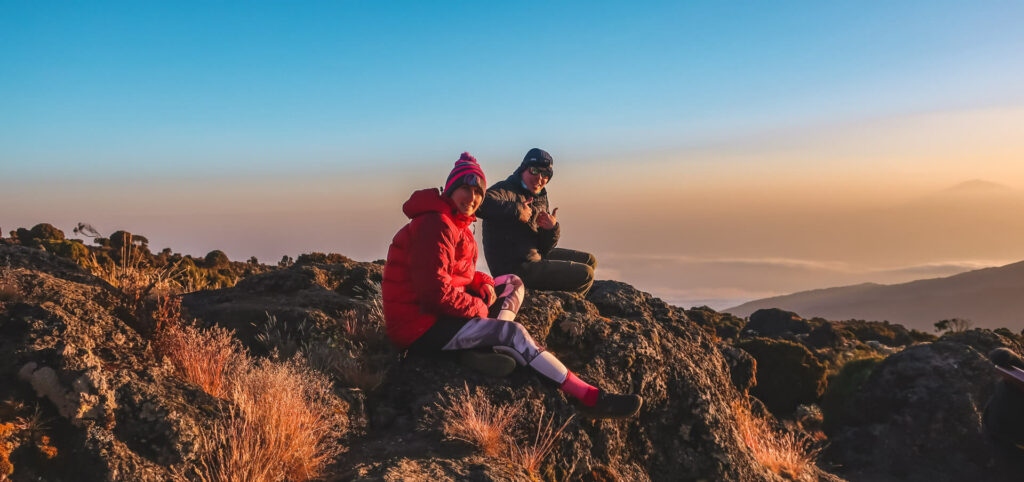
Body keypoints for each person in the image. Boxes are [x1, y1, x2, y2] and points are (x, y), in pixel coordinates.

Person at [381, 152, 642, 419]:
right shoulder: (436, 225)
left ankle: (486, 345)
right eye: (464, 189)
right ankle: (590, 397)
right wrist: (479, 308)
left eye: (476, 191)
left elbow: (459, 272)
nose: (472, 198)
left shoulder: (455, 223)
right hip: (419, 328)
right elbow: (433, 294)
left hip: (437, 316)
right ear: (450, 189)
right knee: (514, 334)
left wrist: (481, 280)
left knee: (512, 283)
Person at [477, 148, 597, 295]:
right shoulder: (505, 190)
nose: (540, 178)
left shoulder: (539, 196)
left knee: (590, 260)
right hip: (515, 269)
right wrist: (517, 211)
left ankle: (568, 300)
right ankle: (568, 306)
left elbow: (544, 247)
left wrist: (551, 229)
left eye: (545, 174)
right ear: (523, 169)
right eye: (534, 171)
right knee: (586, 274)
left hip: (534, 255)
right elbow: (480, 204)